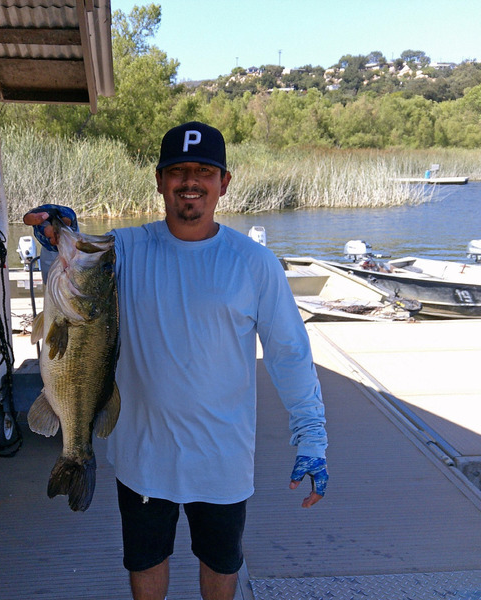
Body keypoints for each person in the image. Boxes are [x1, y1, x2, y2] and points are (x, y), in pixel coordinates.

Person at [24, 121, 328, 600]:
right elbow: (72, 284)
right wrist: (56, 237)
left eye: (204, 171)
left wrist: (311, 435)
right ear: (160, 180)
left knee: (221, 564)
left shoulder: (254, 263)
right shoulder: (123, 251)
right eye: (178, 170)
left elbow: (290, 354)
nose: (191, 181)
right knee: (146, 562)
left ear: (224, 182)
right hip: (144, 456)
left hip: (223, 459)